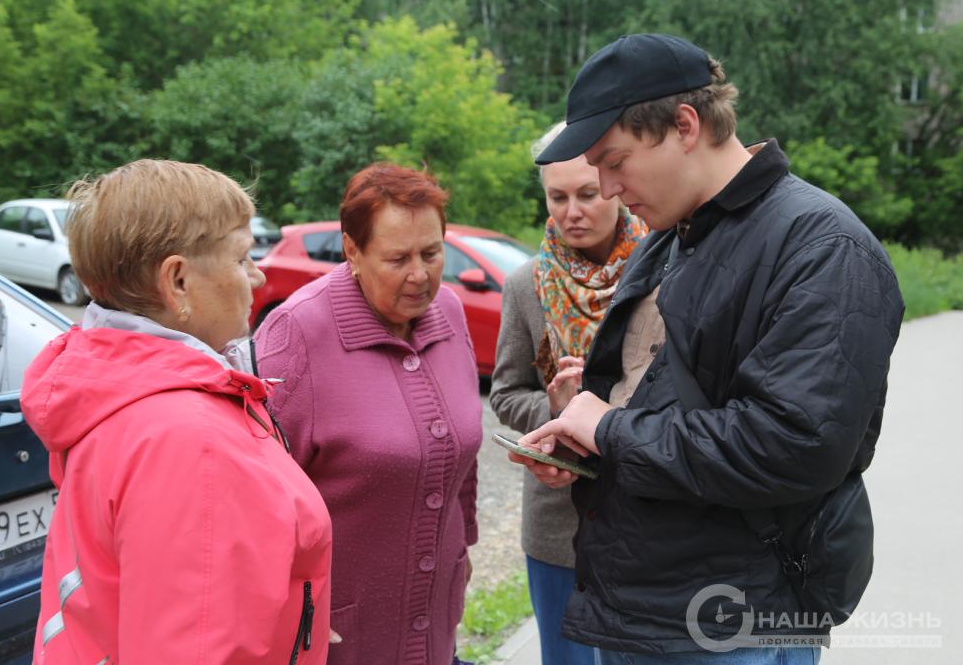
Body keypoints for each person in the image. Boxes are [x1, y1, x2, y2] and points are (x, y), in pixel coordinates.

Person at [513, 34, 904, 663]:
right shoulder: (666, 239)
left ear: (685, 125)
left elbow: (795, 445)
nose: (607, 188)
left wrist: (611, 430)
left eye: (615, 160)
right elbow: (659, 400)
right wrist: (585, 445)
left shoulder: (823, 247)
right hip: (635, 612)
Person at [20, 160, 332, 664]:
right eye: (242, 256)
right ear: (178, 281)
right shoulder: (190, 440)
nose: (258, 274)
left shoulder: (123, 384)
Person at [254, 163, 482, 665]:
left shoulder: (450, 311)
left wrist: (462, 545)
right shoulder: (296, 334)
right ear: (352, 251)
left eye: (431, 252)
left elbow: (462, 451)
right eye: (397, 258)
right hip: (337, 629)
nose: (420, 275)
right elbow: (251, 498)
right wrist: (286, 604)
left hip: (432, 613)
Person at [489, 121, 647, 665]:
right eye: (558, 197)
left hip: (644, 511)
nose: (572, 210)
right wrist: (555, 408)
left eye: (585, 193)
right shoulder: (526, 284)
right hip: (558, 519)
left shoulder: (660, 268)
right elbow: (505, 394)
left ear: (613, 183)